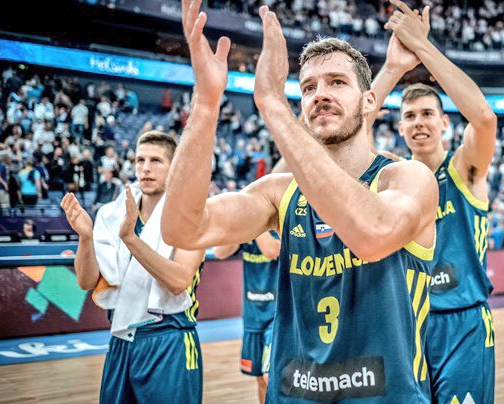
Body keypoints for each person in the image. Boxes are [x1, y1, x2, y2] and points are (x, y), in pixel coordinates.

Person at [162, 2, 438, 402]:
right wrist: (205, 104)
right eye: (308, 88)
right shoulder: (281, 192)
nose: (320, 95)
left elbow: (372, 234)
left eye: (336, 82)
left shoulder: (408, 178)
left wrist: (272, 103)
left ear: (369, 101)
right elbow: (183, 229)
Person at [368, 1, 498, 402]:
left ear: (444, 122)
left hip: (464, 322)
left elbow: (485, 118)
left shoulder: (464, 168)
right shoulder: (391, 174)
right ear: (400, 127)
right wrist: (392, 69)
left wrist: (423, 48)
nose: (419, 122)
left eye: (427, 113)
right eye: (409, 116)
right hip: (408, 323)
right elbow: (350, 129)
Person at [60, 131, 205, 403]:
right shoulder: (112, 214)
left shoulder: (191, 216)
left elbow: (178, 281)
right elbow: (86, 281)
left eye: (156, 161)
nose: (145, 168)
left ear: (175, 167)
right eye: (140, 160)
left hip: (169, 339)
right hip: (121, 338)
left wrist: (131, 239)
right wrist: (86, 237)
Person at [214, 232, 280, 404]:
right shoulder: (247, 230)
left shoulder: (278, 224)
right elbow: (220, 253)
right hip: (253, 316)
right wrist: (239, 227)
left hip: (277, 315)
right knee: (260, 379)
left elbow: (272, 251)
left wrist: (255, 224)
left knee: (270, 377)